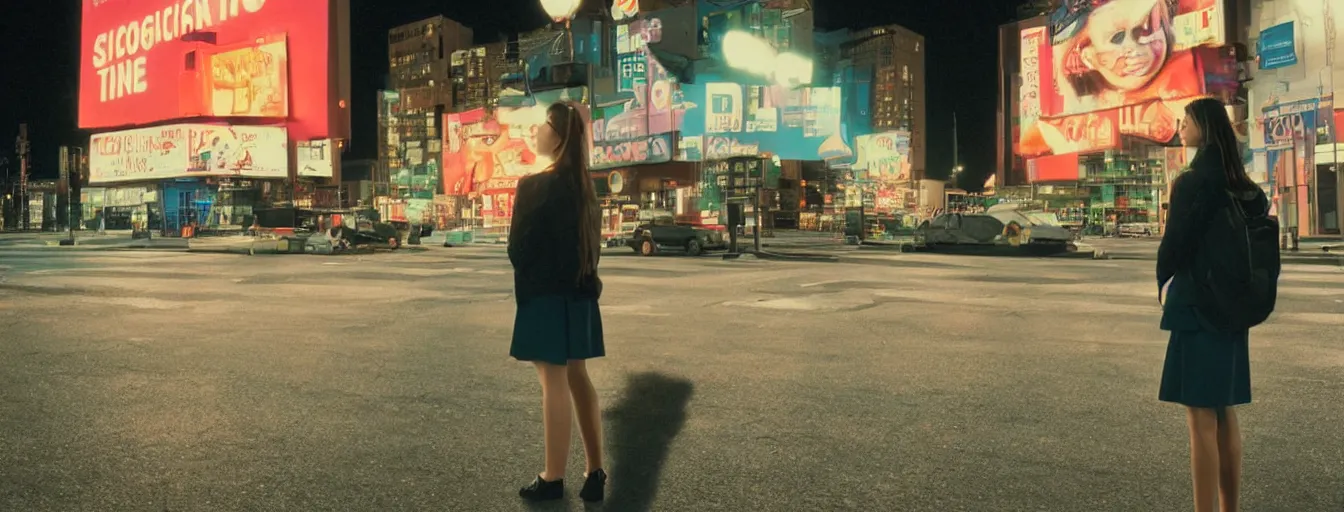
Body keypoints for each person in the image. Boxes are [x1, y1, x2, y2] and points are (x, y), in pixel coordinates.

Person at [1157, 97, 1267, 512]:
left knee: (1199, 418)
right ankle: (1229, 508)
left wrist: (1163, 273)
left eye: (1186, 120)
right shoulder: (1243, 185)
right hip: (1232, 307)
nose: (1180, 126)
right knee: (1224, 411)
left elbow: (1175, 248)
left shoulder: (1190, 181)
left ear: (1203, 125)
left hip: (1196, 306)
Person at [507, 101, 607, 503]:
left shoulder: (535, 185)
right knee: (577, 377)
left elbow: (519, 249)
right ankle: (595, 470)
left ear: (559, 136)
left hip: (544, 297)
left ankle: (552, 478)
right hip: (580, 295)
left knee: (553, 381)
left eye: (543, 125)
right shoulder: (584, 187)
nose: (537, 131)